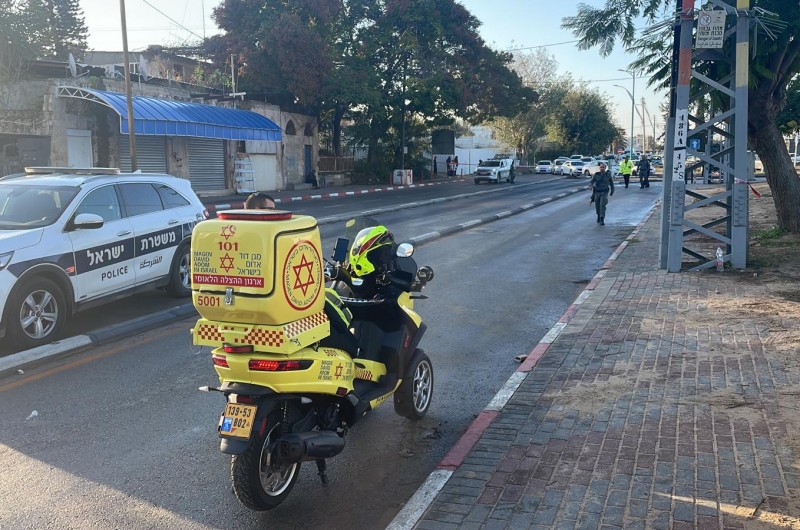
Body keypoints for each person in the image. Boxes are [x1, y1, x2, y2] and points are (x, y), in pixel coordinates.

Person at [590, 161, 614, 225]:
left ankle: (602, 218)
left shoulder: (608, 175)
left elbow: (611, 184)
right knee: (597, 206)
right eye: (601, 167)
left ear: (605, 168)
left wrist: (612, 191)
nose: (602, 168)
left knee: (602, 205)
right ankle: (598, 215)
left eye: (603, 167)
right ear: (599, 168)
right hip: (597, 192)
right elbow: (592, 181)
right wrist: (591, 186)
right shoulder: (596, 175)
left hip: (604, 192)